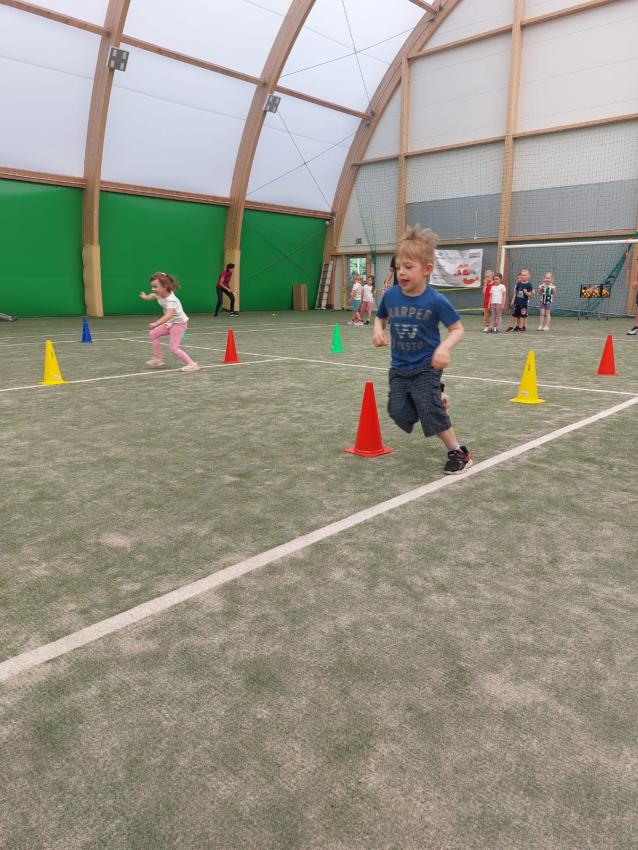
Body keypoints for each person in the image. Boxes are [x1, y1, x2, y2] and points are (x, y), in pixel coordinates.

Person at [373, 225, 473, 475]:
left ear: (427, 269)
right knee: (399, 412)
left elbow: (457, 329)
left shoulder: (435, 300)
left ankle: (458, 452)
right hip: (399, 367)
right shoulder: (390, 296)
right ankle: (437, 397)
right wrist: (378, 330)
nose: (401, 272)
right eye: (398, 267)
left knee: (429, 412)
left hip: (427, 366)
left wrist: (444, 348)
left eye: (408, 267)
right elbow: (380, 317)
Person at [139, 272, 199, 372]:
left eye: (155, 287)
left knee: (173, 348)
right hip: (170, 323)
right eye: (152, 286)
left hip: (179, 324)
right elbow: (152, 296)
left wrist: (156, 323)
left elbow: (168, 315)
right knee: (153, 334)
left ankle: (192, 364)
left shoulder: (171, 300)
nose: (153, 289)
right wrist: (146, 297)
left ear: (165, 286)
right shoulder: (159, 294)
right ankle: (158, 359)